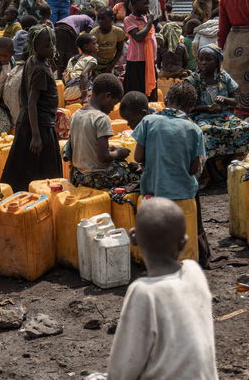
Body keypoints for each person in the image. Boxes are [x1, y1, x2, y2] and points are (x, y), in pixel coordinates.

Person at [104, 197, 218, 380]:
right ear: (183, 242)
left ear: (134, 238)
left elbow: (123, 369)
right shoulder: (194, 272)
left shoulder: (144, 292)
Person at [132, 81, 206, 263]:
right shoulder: (194, 130)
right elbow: (193, 169)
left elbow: (138, 157)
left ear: (165, 100)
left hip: (153, 192)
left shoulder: (148, 121)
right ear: (190, 107)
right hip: (183, 194)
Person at [0, 25, 62, 191]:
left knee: (23, 167)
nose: (51, 48)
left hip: (29, 121)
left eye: (52, 44)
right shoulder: (40, 69)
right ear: (34, 47)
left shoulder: (32, 61)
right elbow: (33, 102)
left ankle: (19, 194)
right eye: (46, 46)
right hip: (38, 125)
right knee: (45, 171)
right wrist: (36, 136)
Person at [185, 44, 249, 177]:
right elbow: (188, 107)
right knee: (206, 131)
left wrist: (225, 99)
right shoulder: (193, 80)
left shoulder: (224, 77)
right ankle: (211, 170)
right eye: (201, 59)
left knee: (245, 127)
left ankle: (228, 162)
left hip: (224, 116)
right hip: (201, 117)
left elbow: (235, 101)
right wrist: (205, 108)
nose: (204, 62)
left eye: (209, 59)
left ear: (217, 61)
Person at [64, 74, 138, 189]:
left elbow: (83, 146)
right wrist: (119, 153)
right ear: (107, 96)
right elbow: (103, 157)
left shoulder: (76, 114)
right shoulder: (101, 118)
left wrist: (110, 148)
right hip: (96, 177)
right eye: (113, 104)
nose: (113, 109)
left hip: (77, 175)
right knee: (133, 174)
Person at [123, 0, 157, 100]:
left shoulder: (145, 18)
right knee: (137, 92)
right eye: (144, 3)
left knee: (150, 92)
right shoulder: (129, 19)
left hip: (149, 61)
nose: (147, 6)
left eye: (148, 3)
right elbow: (138, 37)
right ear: (134, 3)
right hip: (137, 62)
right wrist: (149, 23)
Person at [63, 34, 99, 105]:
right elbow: (83, 75)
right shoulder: (91, 59)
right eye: (94, 43)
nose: (97, 45)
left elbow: (64, 77)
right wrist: (84, 96)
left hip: (68, 94)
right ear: (86, 47)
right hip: (80, 93)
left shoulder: (72, 59)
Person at [90, 8, 125, 75]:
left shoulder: (118, 32)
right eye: (98, 19)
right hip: (96, 62)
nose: (100, 21)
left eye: (103, 19)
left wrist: (110, 66)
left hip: (110, 61)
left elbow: (119, 50)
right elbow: (90, 53)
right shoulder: (94, 33)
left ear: (111, 18)